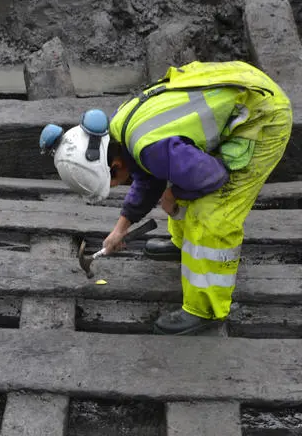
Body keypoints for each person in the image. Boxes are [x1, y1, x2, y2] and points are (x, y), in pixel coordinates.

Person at [44, 60, 292, 335]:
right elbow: (149, 177)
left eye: (114, 182)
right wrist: (120, 230)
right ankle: (185, 244)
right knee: (181, 176)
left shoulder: (152, 148)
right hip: (241, 90)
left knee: (212, 213)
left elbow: (213, 177)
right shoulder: (121, 131)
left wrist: (173, 194)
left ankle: (206, 309)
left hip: (262, 117)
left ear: (114, 165)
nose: (120, 185)